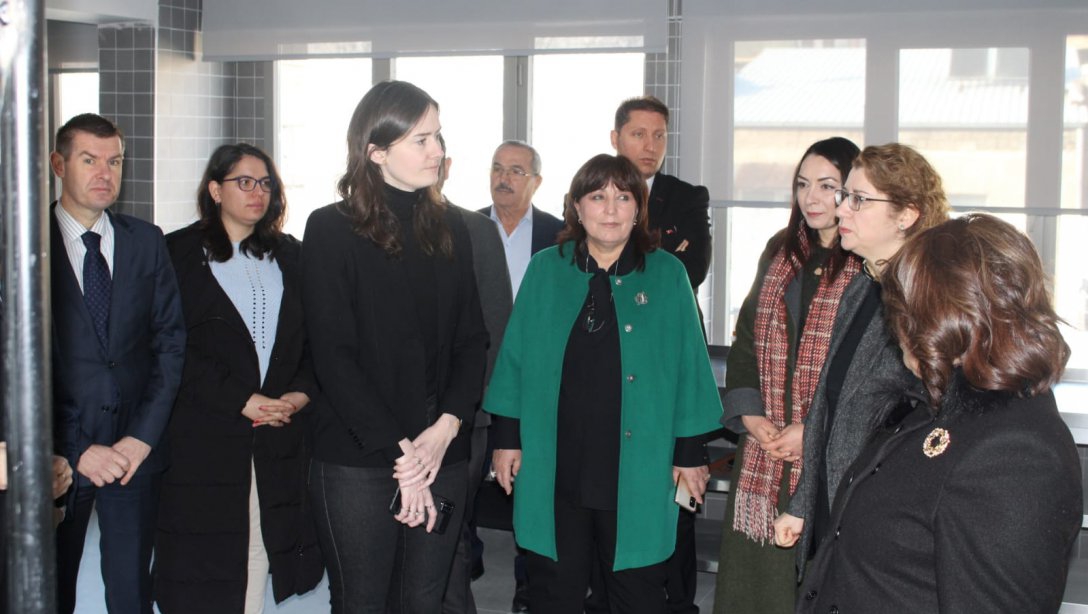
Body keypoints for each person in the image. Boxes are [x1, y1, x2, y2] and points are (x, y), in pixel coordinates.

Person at [798, 213, 1082, 612]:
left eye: (904, 310)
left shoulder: (1014, 454)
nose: (895, 326)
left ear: (944, 319)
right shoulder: (937, 401)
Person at [485, 154, 722, 614]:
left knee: (637, 594)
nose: (610, 209)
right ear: (577, 207)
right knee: (554, 592)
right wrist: (507, 439)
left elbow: (691, 369)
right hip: (556, 464)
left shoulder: (667, 274)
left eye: (623, 197)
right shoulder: (545, 269)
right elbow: (513, 361)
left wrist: (690, 454)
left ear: (639, 209)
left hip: (639, 465)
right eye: (597, 197)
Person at [302, 80, 488, 613]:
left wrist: (447, 426)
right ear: (376, 152)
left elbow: (472, 339)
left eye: (439, 137)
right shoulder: (331, 229)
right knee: (362, 601)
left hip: (440, 450)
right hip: (358, 457)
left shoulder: (451, 225)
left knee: (424, 600)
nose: (438, 151)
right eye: (421, 140)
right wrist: (403, 455)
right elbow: (333, 356)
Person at [153, 143, 323, 612]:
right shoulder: (176, 254)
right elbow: (169, 346)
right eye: (244, 182)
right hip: (203, 434)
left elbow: (316, 340)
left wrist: (300, 394)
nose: (257, 192)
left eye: (265, 183)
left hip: (276, 434)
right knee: (200, 560)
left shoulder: (291, 256)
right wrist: (240, 399)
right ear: (215, 190)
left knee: (258, 545)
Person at [773, 143, 951, 574]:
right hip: (834, 504)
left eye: (858, 199)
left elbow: (933, 423)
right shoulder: (861, 288)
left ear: (906, 215)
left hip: (885, 522)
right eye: (844, 196)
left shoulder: (932, 303)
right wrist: (802, 504)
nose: (840, 210)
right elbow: (827, 405)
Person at [713, 137, 862, 614]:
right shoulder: (781, 250)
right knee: (757, 585)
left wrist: (813, 431)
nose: (811, 198)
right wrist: (750, 414)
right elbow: (747, 337)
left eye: (827, 185)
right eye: (802, 184)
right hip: (768, 444)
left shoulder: (866, 260)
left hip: (832, 454)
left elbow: (865, 373)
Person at [49, 113, 186, 614]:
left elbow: (170, 343)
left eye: (115, 161)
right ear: (59, 164)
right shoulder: (24, 246)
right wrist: (75, 448)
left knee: (131, 595)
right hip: (58, 460)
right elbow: (18, 366)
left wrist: (140, 439)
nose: (105, 173)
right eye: (90, 160)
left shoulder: (146, 240)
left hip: (134, 458)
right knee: (49, 593)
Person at [477, 139, 563, 613]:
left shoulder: (558, 234)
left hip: (536, 381)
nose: (504, 178)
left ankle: (529, 586)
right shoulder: (465, 227)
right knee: (466, 475)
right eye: (497, 168)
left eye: (515, 170)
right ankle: (462, 563)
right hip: (474, 376)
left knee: (532, 487)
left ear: (536, 182)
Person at [436, 141, 514, 614]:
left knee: (451, 535)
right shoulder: (370, 229)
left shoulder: (476, 230)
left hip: (467, 416)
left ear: (446, 167)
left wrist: (485, 411)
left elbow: (496, 327)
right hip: (389, 421)